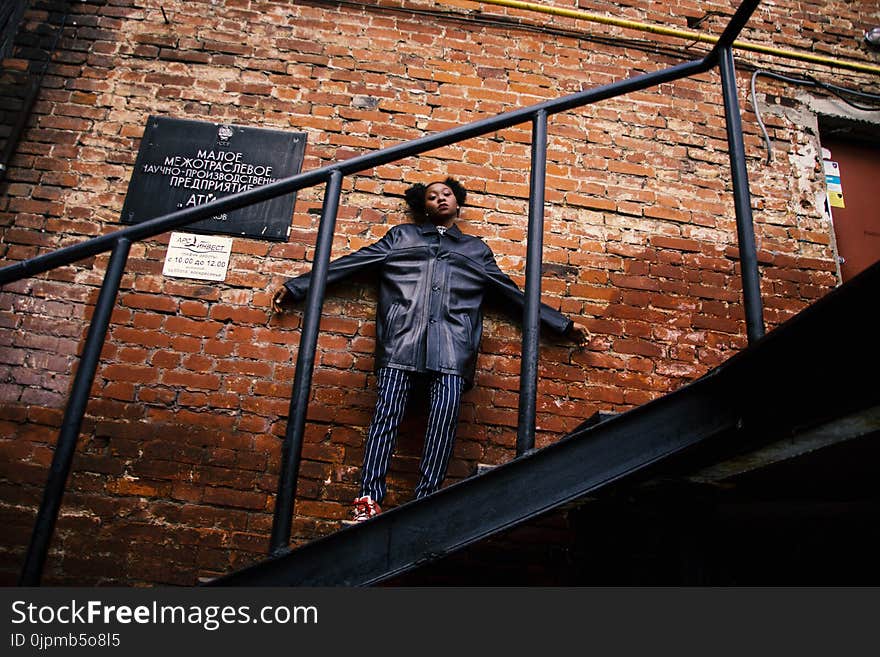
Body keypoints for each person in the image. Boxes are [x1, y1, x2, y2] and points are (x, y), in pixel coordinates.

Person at [272, 178, 588, 522]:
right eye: (432, 196)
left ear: (458, 203)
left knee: (444, 420)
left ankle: (426, 498)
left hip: (454, 347)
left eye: (446, 194)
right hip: (401, 342)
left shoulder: (476, 250)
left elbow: (513, 295)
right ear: (424, 205)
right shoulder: (401, 238)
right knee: (385, 417)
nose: (439, 199)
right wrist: (297, 287)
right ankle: (367, 497)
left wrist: (562, 325)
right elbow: (350, 264)